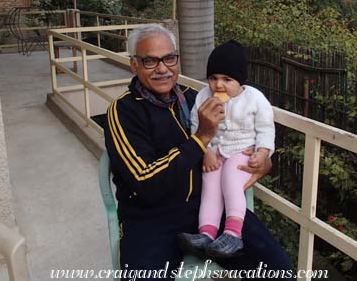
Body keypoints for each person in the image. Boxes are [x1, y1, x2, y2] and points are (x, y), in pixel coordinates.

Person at [104, 25, 292, 279]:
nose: (162, 68)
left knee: (279, 270)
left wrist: (264, 161)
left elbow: (249, 131)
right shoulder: (123, 112)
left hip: (212, 207)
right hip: (153, 220)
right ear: (134, 65)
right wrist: (201, 138)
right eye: (150, 61)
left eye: (169, 58)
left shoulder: (199, 97)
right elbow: (146, 181)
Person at [178, 40, 274, 259]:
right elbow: (196, 125)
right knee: (210, 186)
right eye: (213, 78)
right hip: (214, 152)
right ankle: (206, 234)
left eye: (227, 79)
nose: (218, 85)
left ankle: (233, 233)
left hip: (243, 151)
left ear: (240, 80)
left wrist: (263, 151)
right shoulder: (203, 96)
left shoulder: (254, 98)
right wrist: (207, 151)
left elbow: (266, 128)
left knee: (231, 180)